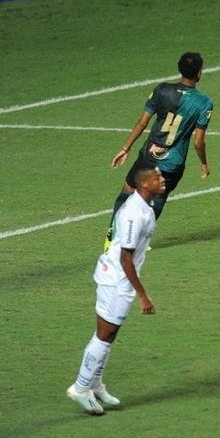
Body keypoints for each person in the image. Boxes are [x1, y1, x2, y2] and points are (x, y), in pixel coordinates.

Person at [67, 166, 166, 415]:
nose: (162, 180)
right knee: (104, 334)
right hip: (117, 280)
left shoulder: (145, 206)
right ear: (144, 184)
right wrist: (143, 294)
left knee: (109, 334)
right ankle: (80, 388)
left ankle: (95, 384)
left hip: (118, 278)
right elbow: (125, 258)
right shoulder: (135, 213)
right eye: (157, 178)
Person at [106, 51, 213, 246]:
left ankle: (112, 235)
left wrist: (125, 148)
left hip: (148, 157)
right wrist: (204, 163)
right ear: (198, 73)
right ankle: (139, 241)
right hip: (172, 164)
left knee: (127, 192)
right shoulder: (204, 102)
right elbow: (198, 142)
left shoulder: (162, 90)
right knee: (158, 200)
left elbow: (142, 122)